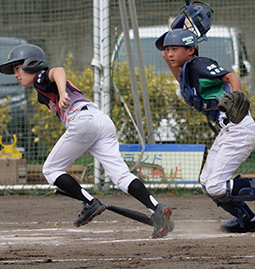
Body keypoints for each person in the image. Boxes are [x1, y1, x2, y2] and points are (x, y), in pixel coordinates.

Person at [0, 44, 173, 238]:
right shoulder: (42, 93)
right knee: (121, 176)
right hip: (100, 121)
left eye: (17, 68)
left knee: (51, 170)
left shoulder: (40, 78)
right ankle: (157, 209)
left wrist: (63, 93)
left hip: (84, 122)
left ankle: (90, 203)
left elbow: (57, 71)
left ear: (32, 63)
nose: (15, 74)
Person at [155, 28, 255, 233]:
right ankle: (248, 219)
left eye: (175, 48)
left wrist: (237, 96)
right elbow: (169, 60)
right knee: (206, 183)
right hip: (227, 131)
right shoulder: (186, 74)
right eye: (168, 49)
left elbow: (231, 76)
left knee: (216, 186)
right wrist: (175, 32)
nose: (170, 53)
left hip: (239, 128)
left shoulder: (199, 65)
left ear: (191, 50)